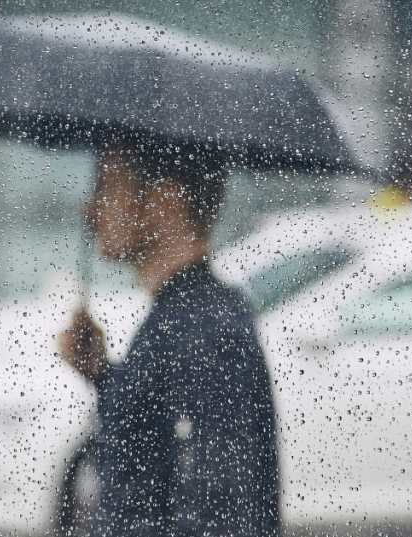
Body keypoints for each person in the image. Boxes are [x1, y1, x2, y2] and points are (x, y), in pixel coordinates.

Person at [60, 136, 280, 537]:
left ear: (166, 202)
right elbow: (154, 452)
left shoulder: (203, 330)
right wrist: (103, 375)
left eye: (108, 188)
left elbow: (220, 510)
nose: (89, 210)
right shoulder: (184, 318)